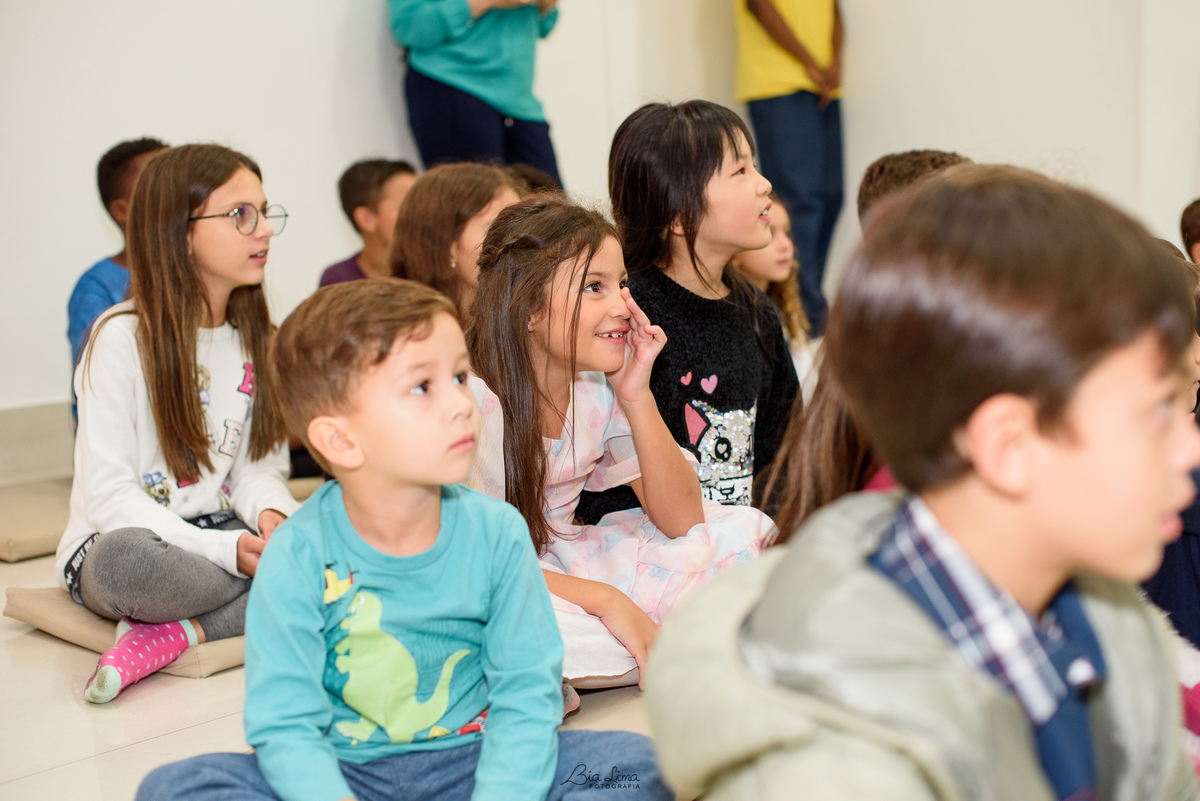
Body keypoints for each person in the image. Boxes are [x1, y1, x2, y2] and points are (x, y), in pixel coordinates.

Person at [646, 165, 1200, 800]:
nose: (1189, 447)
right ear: (1010, 446)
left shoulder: (1112, 628)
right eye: (1157, 412)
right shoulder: (837, 777)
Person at [137, 278, 670, 801]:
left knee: (638, 766)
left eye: (460, 377)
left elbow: (527, 695)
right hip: (343, 770)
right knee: (174, 788)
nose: (462, 403)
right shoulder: (297, 553)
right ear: (340, 440)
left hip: (476, 762)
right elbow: (285, 726)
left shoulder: (496, 533)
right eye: (422, 387)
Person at [466, 196, 772, 687]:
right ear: (528, 309)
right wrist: (610, 601)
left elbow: (683, 520)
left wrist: (636, 394)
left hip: (567, 562)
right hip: (494, 578)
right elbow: (474, 564)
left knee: (741, 532)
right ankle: (635, 645)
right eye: (594, 287)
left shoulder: (596, 389)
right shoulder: (473, 403)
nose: (622, 308)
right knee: (497, 625)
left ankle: (621, 651)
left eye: (622, 285)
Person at [55, 144, 297, 704]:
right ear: (178, 231)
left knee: (346, 528)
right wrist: (231, 552)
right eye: (240, 215)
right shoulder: (117, 338)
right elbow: (109, 498)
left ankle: (179, 633)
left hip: (217, 535)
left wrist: (272, 517)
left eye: (264, 212)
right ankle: (283, 591)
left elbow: (257, 470)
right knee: (128, 564)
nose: (263, 231)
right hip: (126, 547)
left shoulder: (257, 336)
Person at [576, 100, 799, 526]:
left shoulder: (759, 313)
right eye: (740, 171)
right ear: (679, 215)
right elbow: (602, 480)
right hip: (646, 550)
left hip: (739, 547)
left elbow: (786, 448)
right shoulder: (627, 313)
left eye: (755, 166)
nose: (764, 184)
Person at [736, 0, 843, 332]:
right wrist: (809, 62)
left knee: (830, 196)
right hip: (778, 83)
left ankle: (805, 306)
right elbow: (759, 5)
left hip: (824, 84)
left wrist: (833, 61)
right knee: (800, 202)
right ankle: (803, 317)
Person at [390, 0, 562, 184]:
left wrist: (547, 5)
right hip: (453, 84)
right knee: (472, 202)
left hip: (519, 100)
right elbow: (408, 27)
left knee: (553, 207)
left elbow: (544, 26)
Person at [68, 137, 168, 362]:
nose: (177, 198)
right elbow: (97, 376)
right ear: (122, 211)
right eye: (158, 189)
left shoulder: (201, 269)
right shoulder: (96, 288)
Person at [390, 162, 520, 318]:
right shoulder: (407, 333)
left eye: (522, 223)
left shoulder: (529, 315)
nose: (518, 238)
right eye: (496, 228)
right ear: (447, 246)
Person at [730, 192, 818, 404]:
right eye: (769, 231)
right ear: (734, 251)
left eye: (787, 233)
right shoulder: (734, 319)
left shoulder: (783, 309)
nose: (785, 245)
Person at [319, 159, 417, 287]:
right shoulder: (339, 281)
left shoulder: (435, 267)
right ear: (367, 218)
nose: (424, 215)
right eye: (409, 206)